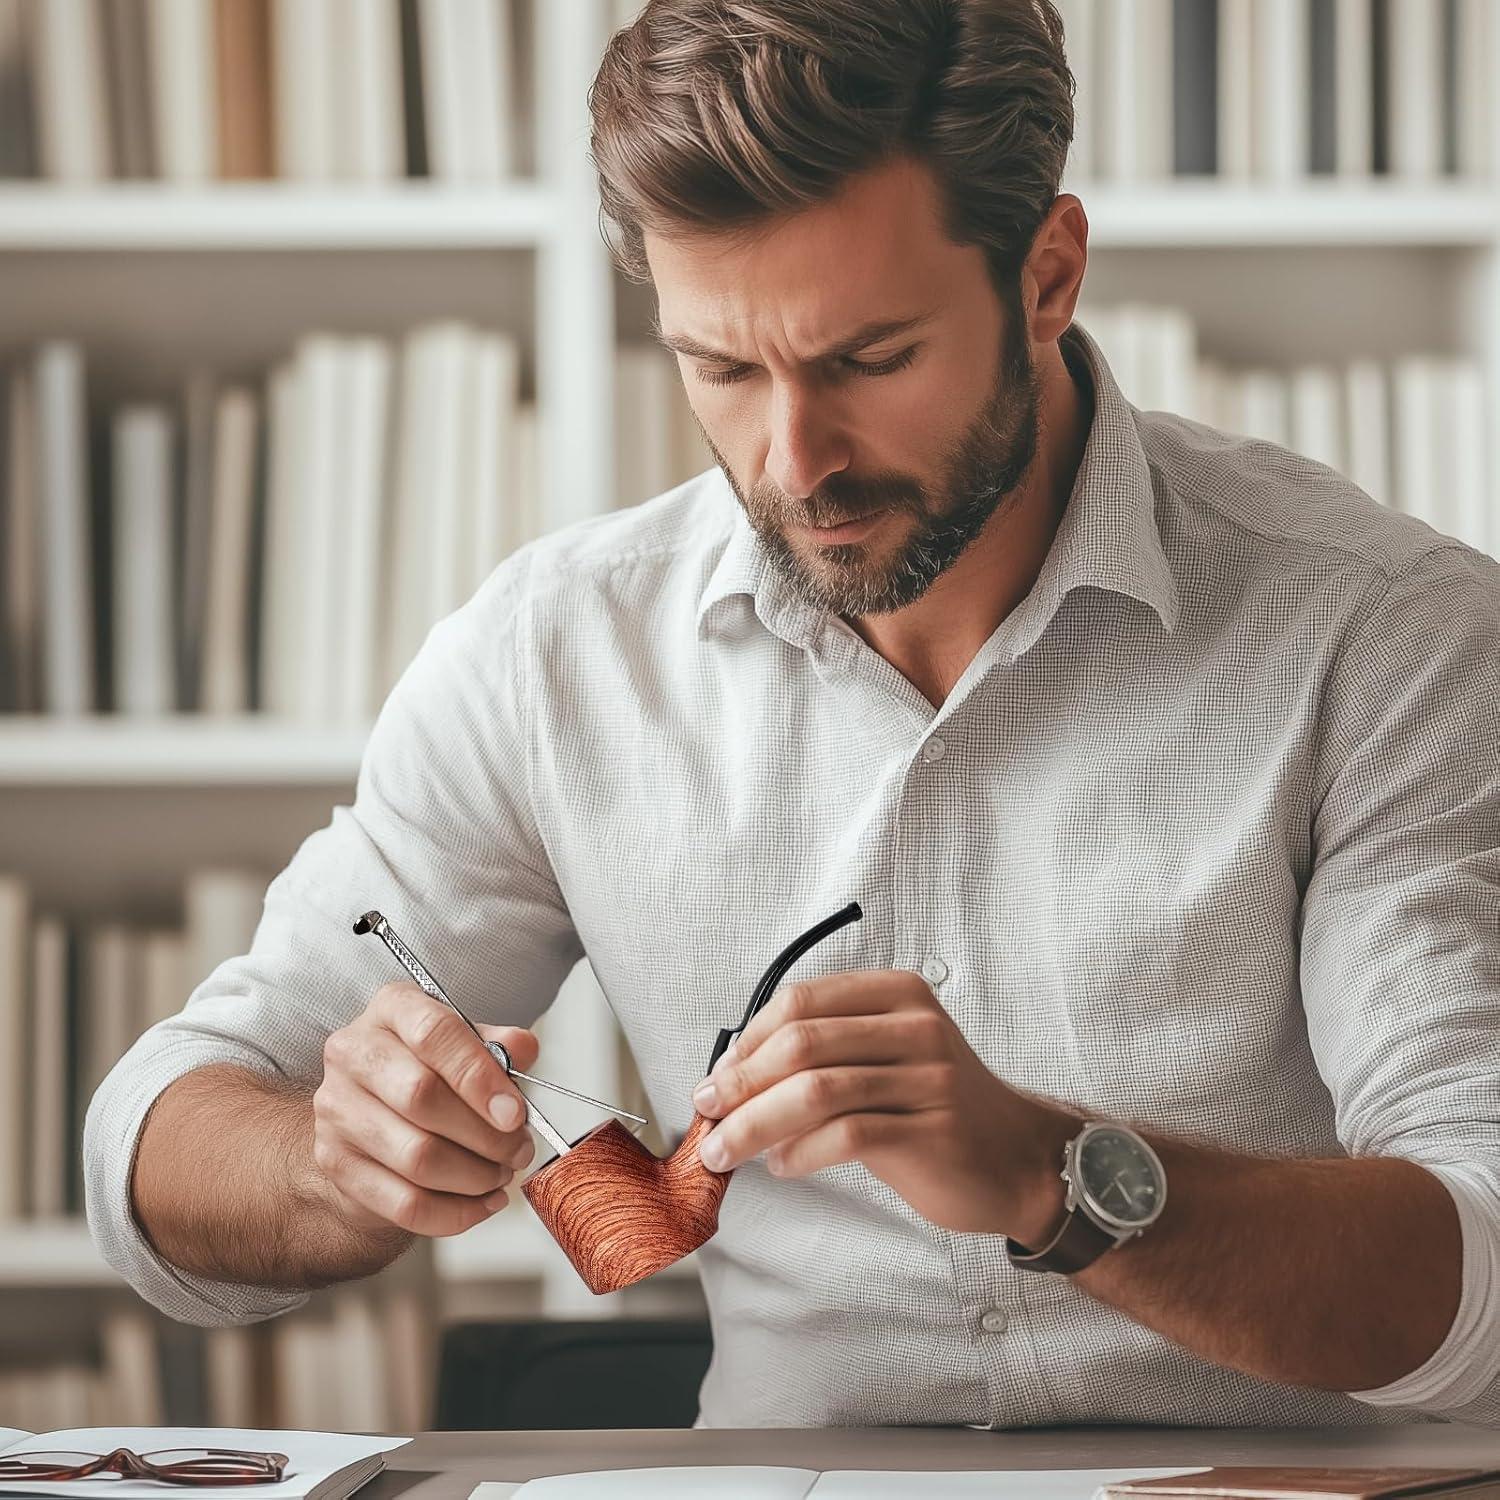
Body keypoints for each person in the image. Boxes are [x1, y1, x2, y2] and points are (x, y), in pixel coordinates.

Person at [86, 0, 1500, 1430]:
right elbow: (154, 1139)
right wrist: (333, 1164)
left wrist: (1044, 1174)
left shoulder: (1385, 636)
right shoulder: (557, 655)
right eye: (722, 367)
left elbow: (1484, 1261)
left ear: (1048, 275)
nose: (794, 459)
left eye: (870, 359)